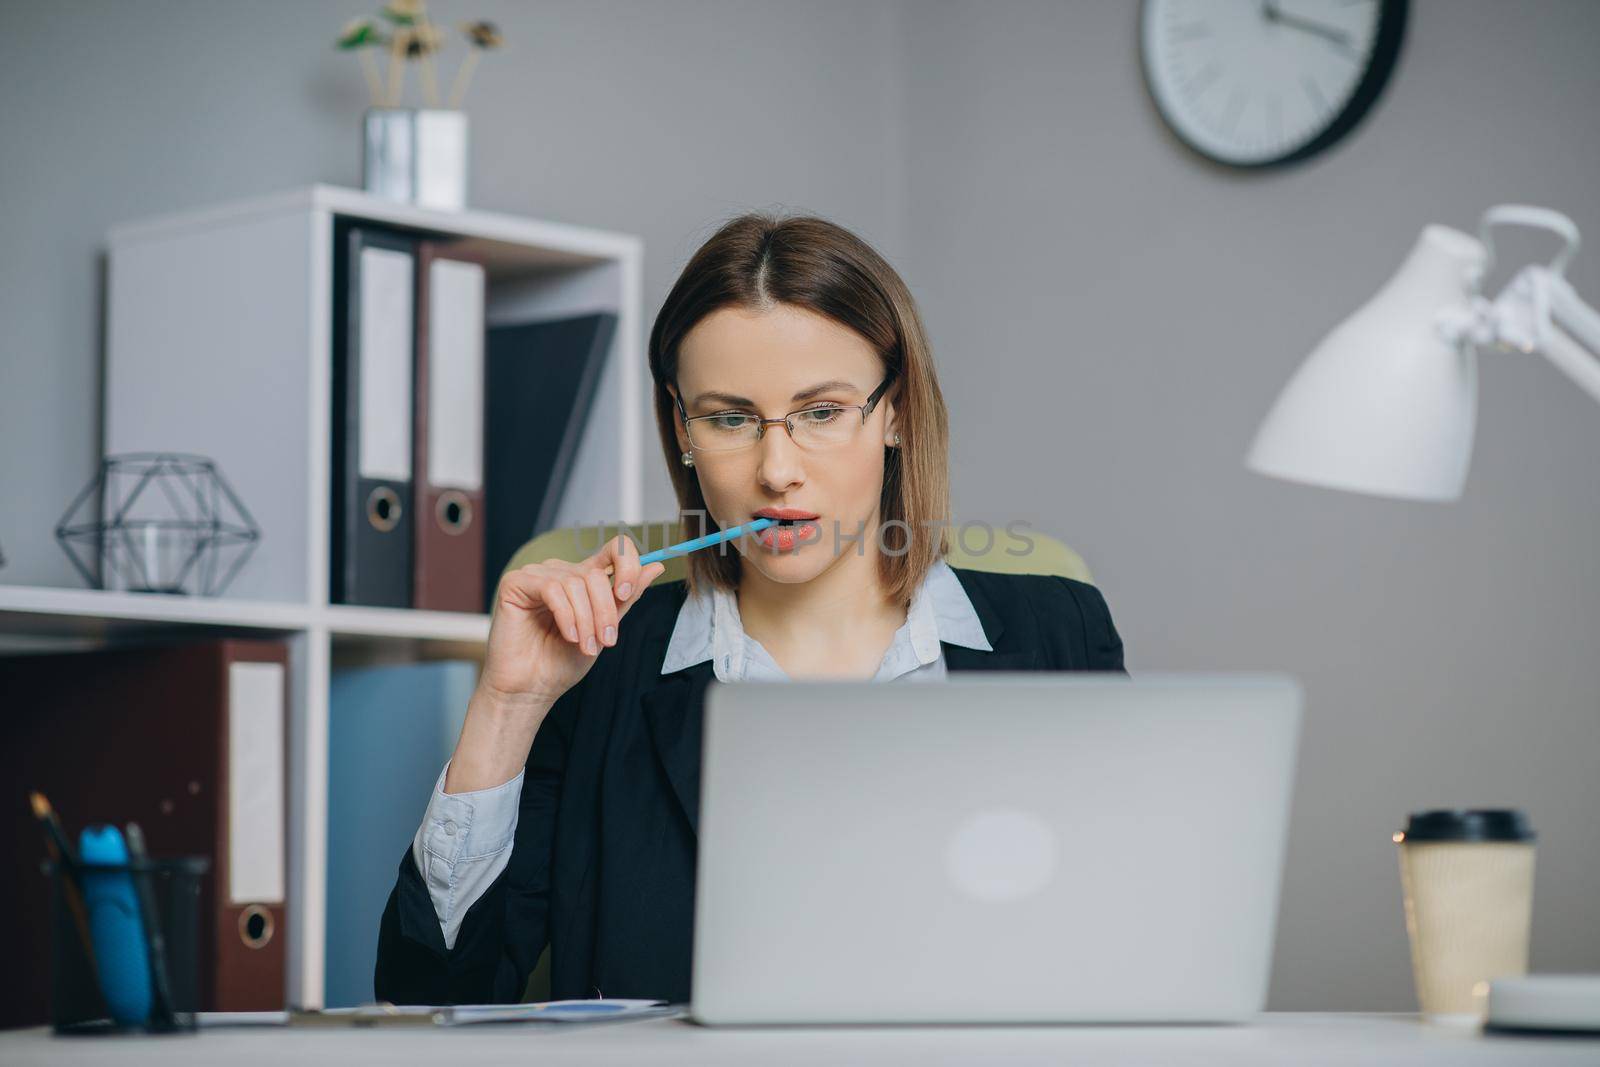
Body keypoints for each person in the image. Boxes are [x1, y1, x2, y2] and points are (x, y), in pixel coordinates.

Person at [374, 212, 1126, 1005]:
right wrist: (507, 707)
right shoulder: (602, 668)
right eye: (731, 418)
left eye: (823, 411)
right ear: (683, 430)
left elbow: (1128, 944)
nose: (776, 470)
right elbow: (432, 1001)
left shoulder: (1063, 633)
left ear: (896, 411)